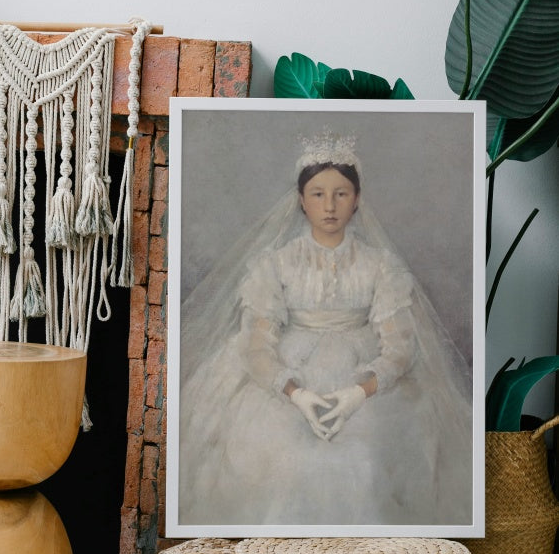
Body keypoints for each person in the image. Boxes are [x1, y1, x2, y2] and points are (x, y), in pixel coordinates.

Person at [177, 130, 473, 528]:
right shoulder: (276, 263)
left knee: (367, 456)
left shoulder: (380, 265)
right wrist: (296, 395)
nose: (329, 206)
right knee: (282, 455)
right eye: (317, 194)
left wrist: (357, 393)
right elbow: (256, 346)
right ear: (301, 200)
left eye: (341, 193)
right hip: (287, 370)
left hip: (363, 374)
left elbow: (400, 348)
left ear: (357, 200)